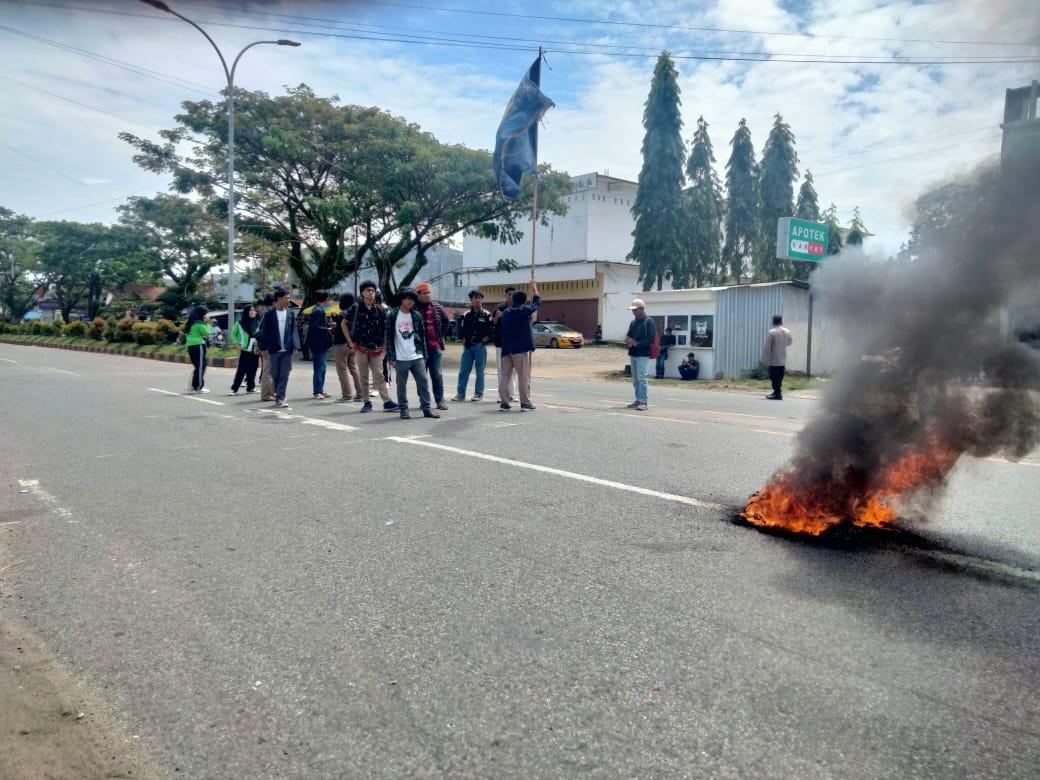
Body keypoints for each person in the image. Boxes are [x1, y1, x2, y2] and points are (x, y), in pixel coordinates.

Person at [386, 287, 438, 420]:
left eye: (412, 299)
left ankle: (427, 409)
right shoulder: (392, 315)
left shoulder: (416, 315)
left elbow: (422, 336)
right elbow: (389, 337)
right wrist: (391, 356)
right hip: (400, 357)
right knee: (401, 386)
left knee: (423, 382)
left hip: (417, 355)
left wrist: (424, 354)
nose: (410, 302)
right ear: (402, 299)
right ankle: (404, 410)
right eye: (407, 298)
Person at [348, 281, 398, 413]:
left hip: (378, 349)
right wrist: (350, 341)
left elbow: (386, 329)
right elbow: (343, 323)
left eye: (373, 290)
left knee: (379, 375)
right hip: (361, 348)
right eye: (368, 290)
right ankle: (366, 402)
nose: (371, 293)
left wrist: (386, 347)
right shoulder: (356, 308)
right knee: (363, 376)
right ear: (362, 293)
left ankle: (387, 402)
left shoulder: (380, 309)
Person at [498, 281, 540, 411]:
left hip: (506, 348)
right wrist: (534, 288)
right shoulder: (523, 310)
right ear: (524, 300)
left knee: (505, 376)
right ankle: (525, 403)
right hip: (519, 349)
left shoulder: (506, 312)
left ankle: (504, 402)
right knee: (523, 376)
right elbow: (537, 303)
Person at [256, 288, 301, 409]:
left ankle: (280, 397)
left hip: (287, 349)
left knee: (284, 374)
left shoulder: (290, 313)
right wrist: (262, 347)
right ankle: (278, 393)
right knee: (275, 374)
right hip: (273, 349)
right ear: (279, 299)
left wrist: (295, 345)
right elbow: (264, 331)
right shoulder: (269, 314)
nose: (289, 300)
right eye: (287, 297)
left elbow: (293, 330)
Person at [414, 282, 450, 410]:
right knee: (421, 377)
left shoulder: (437, 307)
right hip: (419, 349)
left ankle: (440, 401)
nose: (428, 295)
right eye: (425, 293)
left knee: (437, 375)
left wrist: (441, 337)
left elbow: (446, 321)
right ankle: (425, 401)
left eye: (429, 292)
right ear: (418, 295)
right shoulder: (413, 308)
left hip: (435, 347)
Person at [452, 289, 493, 402]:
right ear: (471, 300)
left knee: (480, 371)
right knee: (464, 371)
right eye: (475, 298)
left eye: (480, 298)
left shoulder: (487, 314)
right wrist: (462, 338)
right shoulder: (466, 315)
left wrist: (487, 339)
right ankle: (460, 394)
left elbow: (492, 329)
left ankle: (478, 394)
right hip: (468, 346)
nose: (478, 300)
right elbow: (459, 328)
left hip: (480, 346)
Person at [625, 299, 655, 411]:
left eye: (635, 310)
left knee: (642, 377)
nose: (633, 312)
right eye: (633, 310)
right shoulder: (633, 322)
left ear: (641, 309)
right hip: (633, 352)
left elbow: (651, 338)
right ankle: (638, 399)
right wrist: (627, 340)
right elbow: (628, 335)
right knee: (635, 378)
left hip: (643, 353)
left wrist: (637, 343)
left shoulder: (649, 321)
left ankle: (643, 402)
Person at [492, 285, 520, 401]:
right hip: (501, 344)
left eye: (513, 295)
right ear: (505, 295)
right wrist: (497, 318)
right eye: (509, 294)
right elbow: (493, 324)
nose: (511, 297)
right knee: (501, 370)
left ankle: (512, 394)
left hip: (514, 344)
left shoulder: (518, 308)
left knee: (514, 370)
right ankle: (502, 395)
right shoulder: (499, 308)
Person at [333, 293, 362, 402]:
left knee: (342, 370)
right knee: (354, 369)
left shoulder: (342, 314)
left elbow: (340, 329)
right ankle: (360, 394)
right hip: (353, 345)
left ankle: (347, 395)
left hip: (341, 344)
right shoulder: (356, 312)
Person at [306, 290, 335, 400]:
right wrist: (327, 328)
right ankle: (317, 391)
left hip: (320, 343)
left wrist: (327, 325)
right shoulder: (318, 311)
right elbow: (313, 327)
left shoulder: (319, 309)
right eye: (328, 299)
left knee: (322, 367)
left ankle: (320, 390)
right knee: (319, 367)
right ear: (325, 299)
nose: (329, 301)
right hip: (317, 343)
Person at [229, 304, 260, 394]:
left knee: (253, 369)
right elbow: (233, 334)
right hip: (244, 349)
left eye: (254, 310)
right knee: (241, 369)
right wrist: (236, 343)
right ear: (246, 312)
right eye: (250, 310)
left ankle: (251, 388)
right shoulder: (239, 323)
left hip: (255, 349)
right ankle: (235, 389)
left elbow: (261, 334)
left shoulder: (258, 322)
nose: (252, 312)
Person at [762, 314, 794, 400]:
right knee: (780, 376)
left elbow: (767, 347)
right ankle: (776, 392)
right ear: (781, 321)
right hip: (783, 358)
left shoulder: (772, 332)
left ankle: (777, 393)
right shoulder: (787, 331)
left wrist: (765, 359)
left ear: (773, 321)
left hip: (773, 359)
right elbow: (790, 342)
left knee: (773, 376)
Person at [184, 305, 211, 394]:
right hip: (198, 346)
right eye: (207, 314)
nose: (208, 316)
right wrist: (207, 323)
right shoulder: (199, 324)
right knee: (201, 367)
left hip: (191, 346)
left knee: (198, 367)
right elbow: (207, 333)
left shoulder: (191, 323)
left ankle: (194, 386)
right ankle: (198, 387)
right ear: (202, 315)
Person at [256, 294, 276, 401]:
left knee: (270, 370)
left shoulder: (265, 313)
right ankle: (266, 394)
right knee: (268, 371)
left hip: (267, 345)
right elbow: (262, 332)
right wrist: (263, 347)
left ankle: (271, 393)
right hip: (267, 346)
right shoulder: (268, 313)